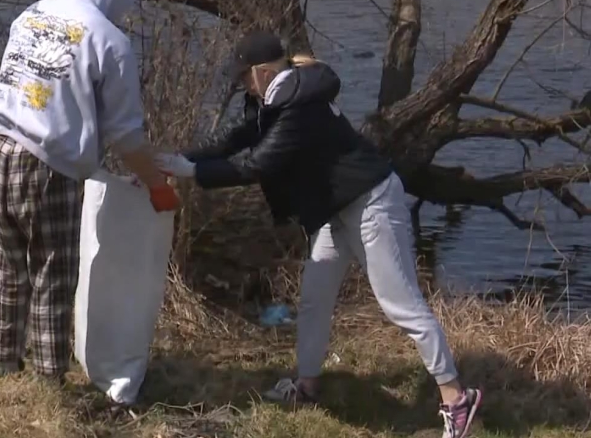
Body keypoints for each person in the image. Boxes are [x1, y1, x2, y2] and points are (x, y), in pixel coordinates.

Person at [153, 31, 483, 438]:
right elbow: (235, 140)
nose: (240, 85)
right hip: (336, 210)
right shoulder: (279, 98)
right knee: (313, 300)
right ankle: (307, 387)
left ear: (260, 72)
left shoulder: (297, 108)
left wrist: (191, 173)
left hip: (370, 203)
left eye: (242, 78)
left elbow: (257, 166)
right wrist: (181, 159)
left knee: (400, 305)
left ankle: (457, 400)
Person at [0, 0, 179, 386]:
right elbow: (126, 136)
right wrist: (156, 185)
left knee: (10, 265)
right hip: (47, 167)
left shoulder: (33, 12)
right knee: (54, 272)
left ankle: (2, 366)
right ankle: (49, 382)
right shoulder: (110, 41)